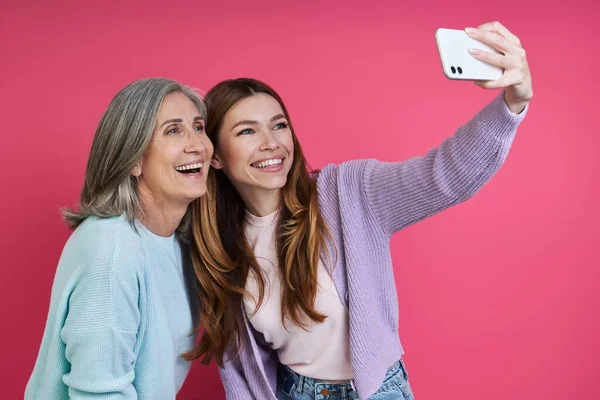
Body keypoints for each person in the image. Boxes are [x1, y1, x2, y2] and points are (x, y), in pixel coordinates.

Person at [185, 22, 532, 399]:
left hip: (376, 391)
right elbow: (238, 366)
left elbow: (444, 175)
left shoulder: (347, 192)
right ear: (215, 155)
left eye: (279, 125)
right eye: (247, 132)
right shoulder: (217, 243)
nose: (271, 144)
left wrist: (513, 103)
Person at [25, 78, 214, 399]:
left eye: (198, 127)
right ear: (134, 159)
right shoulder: (112, 253)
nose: (198, 144)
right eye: (173, 130)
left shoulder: (173, 241)